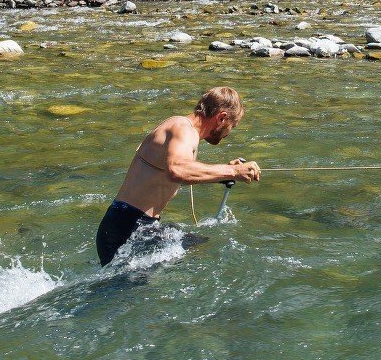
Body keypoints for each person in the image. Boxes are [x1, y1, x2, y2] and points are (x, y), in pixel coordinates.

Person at [95, 86, 261, 266]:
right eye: (232, 126)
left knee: (195, 244)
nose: (228, 133)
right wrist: (234, 172)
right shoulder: (184, 129)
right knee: (200, 248)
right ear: (222, 118)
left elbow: (170, 174)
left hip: (129, 224)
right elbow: (176, 170)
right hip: (127, 227)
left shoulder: (181, 127)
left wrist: (223, 173)